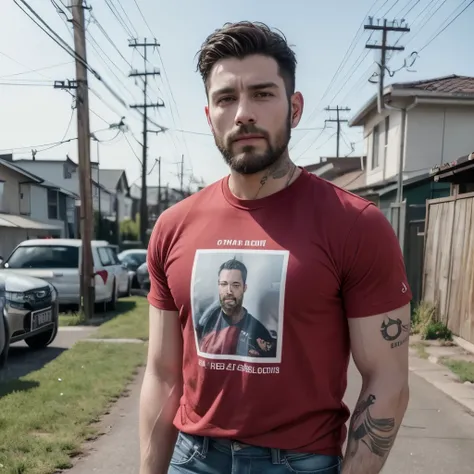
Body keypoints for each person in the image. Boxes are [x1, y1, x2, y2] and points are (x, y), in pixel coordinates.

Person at [140, 21, 411, 474]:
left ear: (294, 108)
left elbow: (388, 379)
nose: (244, 112)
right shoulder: (173, 226)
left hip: (299, 463)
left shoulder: (355, 225)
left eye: (263, 94)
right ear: (209, 115)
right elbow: (162, 374)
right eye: (226, 98)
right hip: (191, 460)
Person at [197, 258, 277, 357]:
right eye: (224, 284)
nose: (229, 291)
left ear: (244, 288)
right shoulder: (206, 320)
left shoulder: (259, 332)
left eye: (235, 285)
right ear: (218, 286)